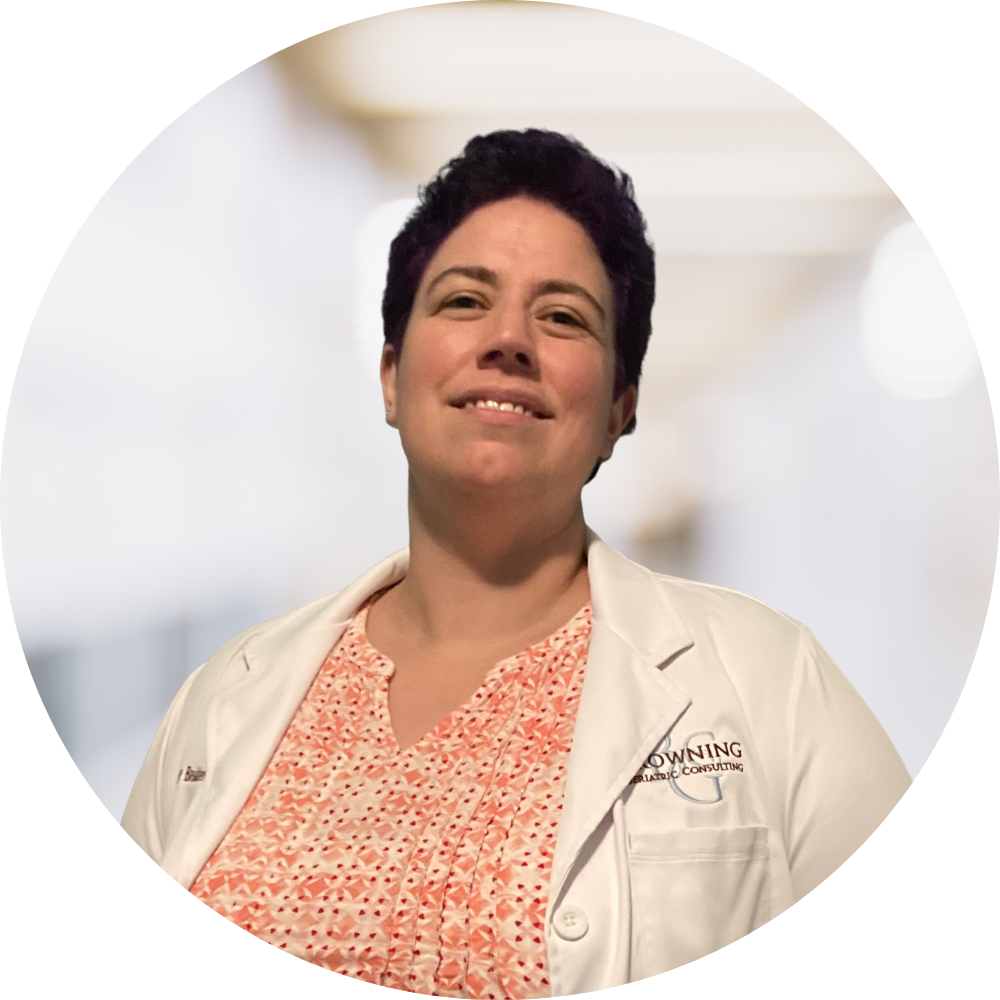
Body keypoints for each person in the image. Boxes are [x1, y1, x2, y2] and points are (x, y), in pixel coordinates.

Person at [122, 129, 911, 999]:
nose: (508, 339)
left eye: (564, 316)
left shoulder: (773, 685)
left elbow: (927, 955)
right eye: (463, 301)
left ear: (619, 407)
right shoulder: (223, 700)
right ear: (391, 375)